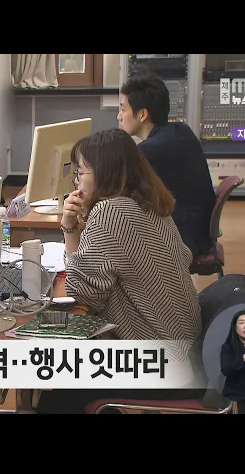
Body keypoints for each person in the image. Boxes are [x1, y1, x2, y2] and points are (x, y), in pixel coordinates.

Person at [36, 128, 203, 414]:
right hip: (185, 349)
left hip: (160, 362)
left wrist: (69, 228)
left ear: (104, 173)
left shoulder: (110, 212)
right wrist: (77, 226)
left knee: (56, 382)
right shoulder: (151, 203)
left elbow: (82, 293)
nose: (77, 181)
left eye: (81, 172)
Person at [118, 73, 216, 259]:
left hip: (183, 240)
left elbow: (121, 192)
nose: (119, 116)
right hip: (199, 232)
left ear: (142, 115)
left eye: (123, 110)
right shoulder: (181, 130)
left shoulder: (150, 150)